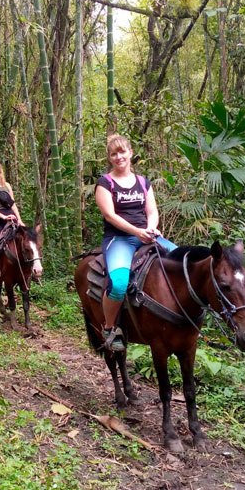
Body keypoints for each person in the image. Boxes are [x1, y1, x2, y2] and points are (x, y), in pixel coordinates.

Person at [96, 134, 178, 351]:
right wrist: (137, 232)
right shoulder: (105, 183)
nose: (119, 157)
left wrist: (151, 228)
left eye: (122, 151)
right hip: (119, 238)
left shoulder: (143, 182)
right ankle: (110, 328)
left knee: (182, 260)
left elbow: (152, 211)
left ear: (130, 152)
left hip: (147, 234)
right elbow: (110, 216)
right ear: (110, 158)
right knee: (119, 282)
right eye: (114, 154)